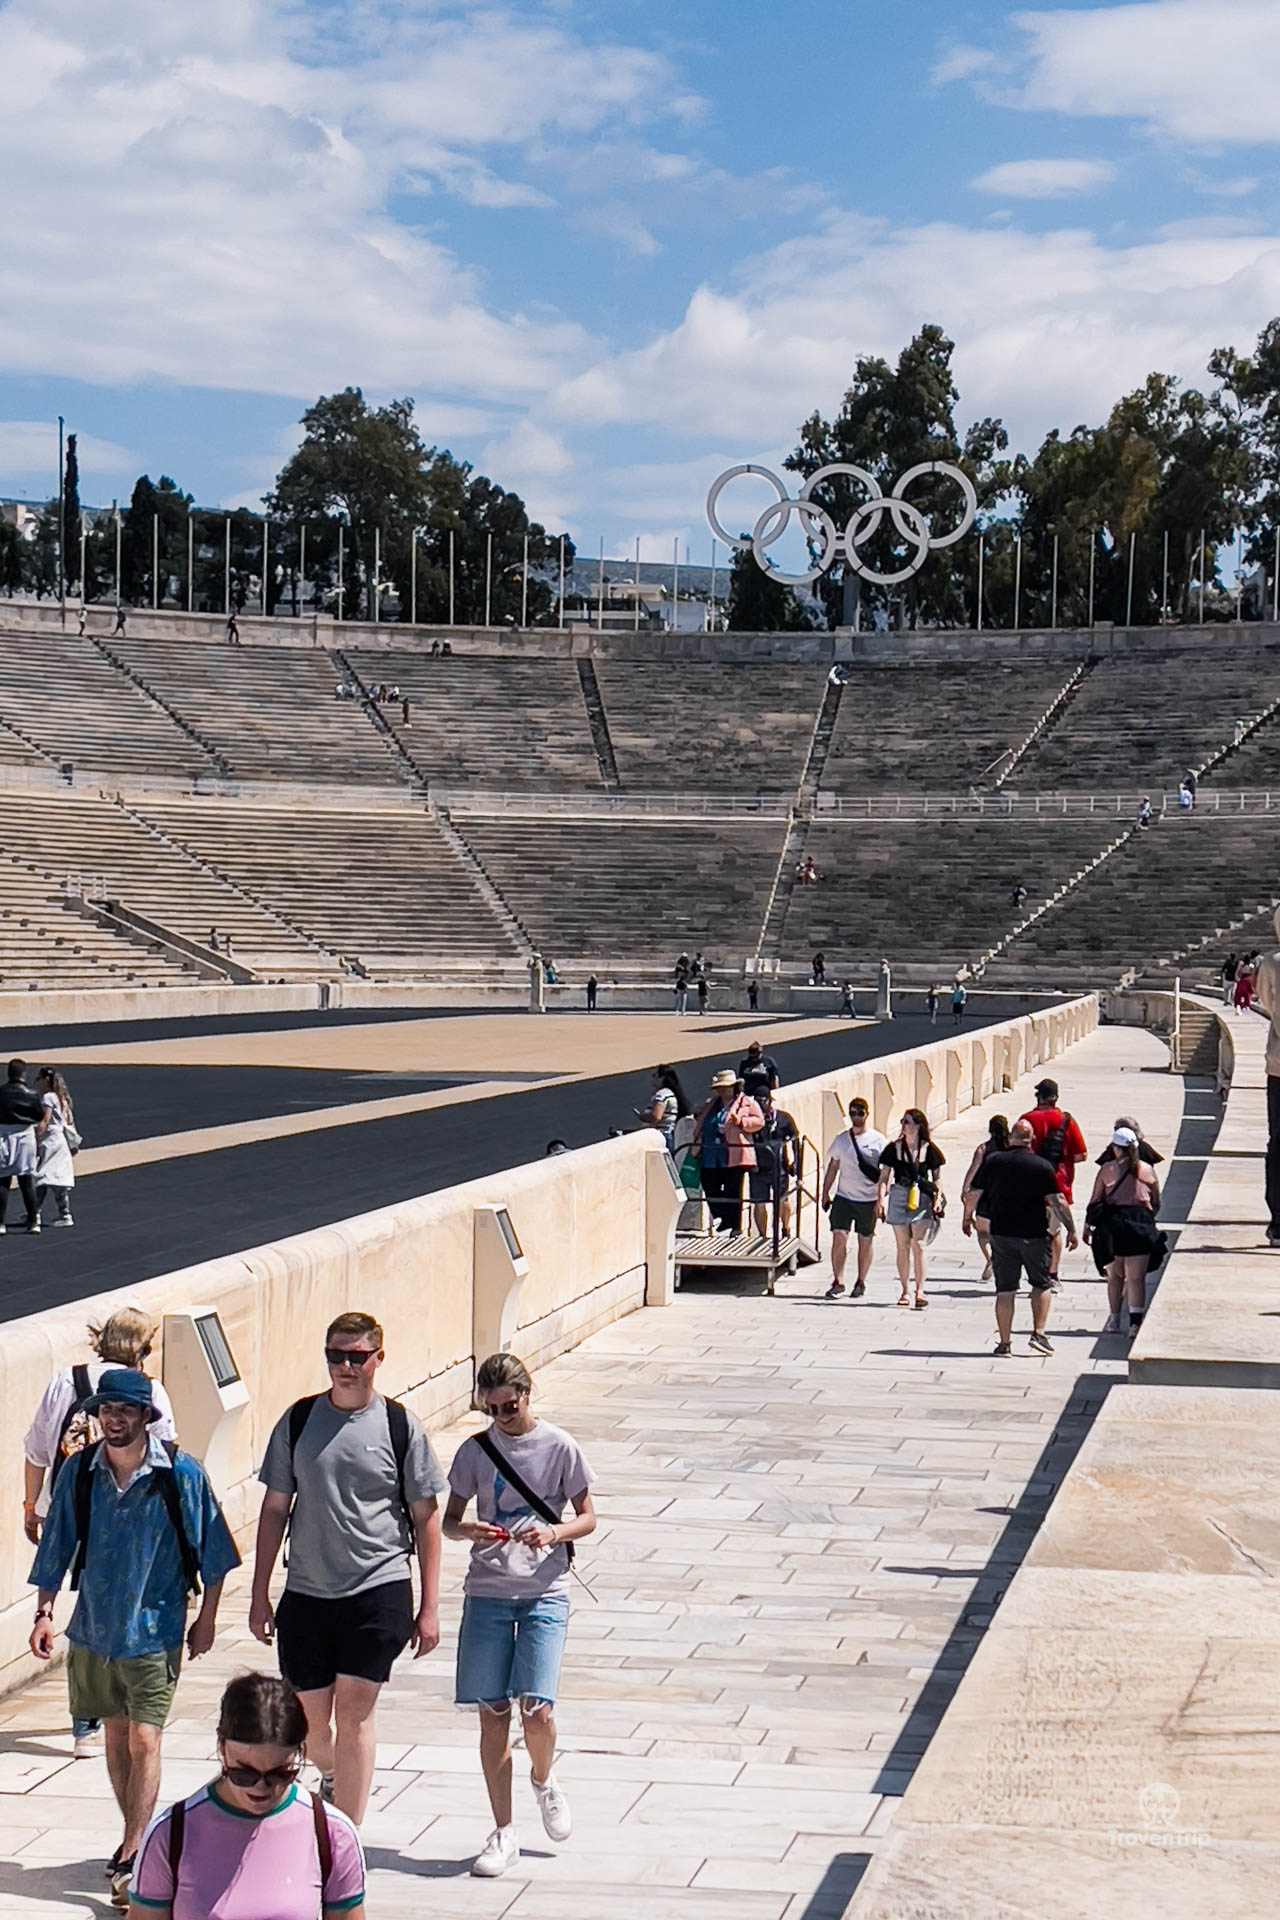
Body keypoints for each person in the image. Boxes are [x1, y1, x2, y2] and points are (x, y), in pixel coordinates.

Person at [28, 1368, 238, 1909]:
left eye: (124, 1409)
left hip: (156, 1628)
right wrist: (44, 1612)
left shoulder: (180, 1475)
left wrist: (207, 1617)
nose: (114, 1419)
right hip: (96, 1630)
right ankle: (135, 1840)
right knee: (118, 1739)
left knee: (145, 1740)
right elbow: (55, 1546)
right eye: (106, 1410)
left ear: (147, 1415)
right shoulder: (79, 1473)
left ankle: (133, 1848)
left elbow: (215, 1551)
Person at [250, 1313, 446, 1825]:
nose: (345, 1366)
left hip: (378, 1587)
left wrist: (429, 1608)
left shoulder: (399, 1426)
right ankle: (332, 1772)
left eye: (357, 1356)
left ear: (378, 1358)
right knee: (311, 1724)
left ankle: (347, 1841)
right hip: (308, 1592)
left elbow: (426, 1518)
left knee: (356, 1715)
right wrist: (258, 1595)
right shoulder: (298, 1421)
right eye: (336, 1355)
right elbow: (274, 1509)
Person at [444, 1352, 596, 1880]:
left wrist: (552, 1533)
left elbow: (589, 1517)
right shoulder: (474, 1451)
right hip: (487, 1589)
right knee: (493, 1712)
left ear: (528, 1395)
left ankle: (543, 1777)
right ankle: (504, 1830)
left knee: (539, 1709)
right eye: (493, 1410)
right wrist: (469, 1532)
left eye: (510, 1406)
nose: (503, 1417)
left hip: (543, 1590)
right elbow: (449, 1521)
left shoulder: (559, 1446)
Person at [23, 1308, 177, 1759]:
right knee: (110, 1604)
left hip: (68, 1507)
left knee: (89, 1604)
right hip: (127, 1512)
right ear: (142, 1349)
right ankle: (110, 1708)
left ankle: (86, 1721)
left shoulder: (64, 1380)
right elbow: (167, 1450)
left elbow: (35, 1448)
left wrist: (32, 1506)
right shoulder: (149, 1390)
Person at [131, 1671, 366, 1919]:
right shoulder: (170, 1833)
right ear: (221, 1749)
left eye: (279, 1774)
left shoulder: (332, 1833)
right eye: (244, 1774)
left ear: (300, 1753)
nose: (260, 1788)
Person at [964, 1120, 1077, 1357]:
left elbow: (974, 1192)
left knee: (1005, 1289)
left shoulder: (994, 1162)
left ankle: (1004, 1343)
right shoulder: (1041, 1165)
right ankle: (1039, 1333)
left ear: (1011, 1137)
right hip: (1033, 1234)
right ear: (1032, 1139)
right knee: (1040, 1284)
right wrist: (1071, 1228)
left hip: (1002, 1234)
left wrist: (967, 1217)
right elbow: (1057, 1200)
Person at [1085, 1127, 1163, 1335]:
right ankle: (1135, 1324)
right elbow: (1156, 1201)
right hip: (1139, 1221)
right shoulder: (1147, 1169)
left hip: (1113, 1224)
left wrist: (1087, 1227)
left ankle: (1114, 1320)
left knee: (1115, 1277)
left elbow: (1096, 1199)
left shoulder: (1107, 1169)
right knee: (1136, 1279)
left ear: (1115, 1148)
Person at [1019, 1078, 1087, 1287]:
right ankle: (1053, 1273)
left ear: (1038, 1097)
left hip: (1029, 1187)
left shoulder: (1026, 1120)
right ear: (1056, 1098)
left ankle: (1033, 1271)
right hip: (1059, 1186)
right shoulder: (1066, 1120)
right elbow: (1081, 1154)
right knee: (1054, 1232)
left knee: (1029, 1232)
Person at [877, 1110, 945, 1309]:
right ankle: (905, 1290)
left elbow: (937, 1177)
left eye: (907, 1122)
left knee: (919, 1244)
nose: (904, 1125)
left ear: (917, 1125)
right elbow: (884, 1177)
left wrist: (938, 1197)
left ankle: (920, 1290)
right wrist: (880, 1199)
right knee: (902, 1245)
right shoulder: (894, 1149)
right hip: (899, 1195)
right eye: (903, 1122)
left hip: (921, 1198)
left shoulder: (929, 1150)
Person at [822, 1096, 887, 1299]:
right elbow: (833, 1166)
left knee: (865, 1240)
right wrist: (825, 1192)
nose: (856, 1117)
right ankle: (838, 1280)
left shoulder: (878, 1140)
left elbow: (886, 1172)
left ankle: (861, 1281)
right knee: (839, 1236)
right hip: (844, 1197)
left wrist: (881, 1199)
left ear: (867, 1114)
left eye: (860, 1113)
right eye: (852, 1113)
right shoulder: (841, 1140)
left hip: (868, 1199)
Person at [692, 1071, 764, 1234]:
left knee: (733, 1191)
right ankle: (725, 1217)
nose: (722, 1091)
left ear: (734, 1087)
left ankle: (735, 1226)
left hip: (733, 1154)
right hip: (711, 1155)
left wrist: (742, 1122)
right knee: (710, 1187)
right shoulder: (712, 1104)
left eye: (725, 1088)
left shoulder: (746, 1103)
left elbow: (759, 1121)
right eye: (720, 1088)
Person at [1252, 910, 1280, 1246]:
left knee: (1278, 1143)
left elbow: (1267, 1003)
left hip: (1278, 1062)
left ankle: (1278, 1222)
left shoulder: (1272, 963)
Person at [960, 1113, 1010, 1284]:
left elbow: (972, 1171)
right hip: (1009, 1197)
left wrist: (965, 1190)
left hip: (987, 1197)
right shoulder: (1013, 1148)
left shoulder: (983, 1149)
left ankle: (990, 1257)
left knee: (983, 1232)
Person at [0, 1058, 44, 1234]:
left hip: (2, 1134)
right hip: (24, 1135)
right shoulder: (31, 1095)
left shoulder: (0, 1092)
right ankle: (33, 1221)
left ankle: (0, 1223)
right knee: (25, 1180)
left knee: (2, 1180)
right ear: (23, 1074)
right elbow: (39, 1115)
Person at [751, 1087, 799, 1242]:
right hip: (758, 1167)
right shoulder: (754, 1121)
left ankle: (785, 1228)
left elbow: (795, 1139)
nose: (760, 1104)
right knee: (758, 1202)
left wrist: (795, 1162)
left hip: (780, 1167)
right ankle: (762, 1236)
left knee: (782, 1199)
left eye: (763, 1101)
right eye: (757, 1101)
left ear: (770, 1101)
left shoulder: (784, 1119)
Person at [34, 1066, 77, 1227]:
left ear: (45, 1080)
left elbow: (45, 1120)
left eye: (38, 1079)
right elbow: (69, 1122)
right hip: (60, 1141)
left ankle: (35, 1213)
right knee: (57, 1179)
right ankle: (64, 1213)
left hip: (50, 1141)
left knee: (42, 1177)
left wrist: (37, 1137)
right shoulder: (62, 1098)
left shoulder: (48, 1098)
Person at [640, 1066, 689, 1152]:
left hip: (661, 1136)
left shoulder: (662, 1094)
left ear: (662, 1078)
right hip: (669, 1134)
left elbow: (656, 1117)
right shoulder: (670, 1093)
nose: (653, 1078)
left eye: (655, 1075)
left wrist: (643, 1117)